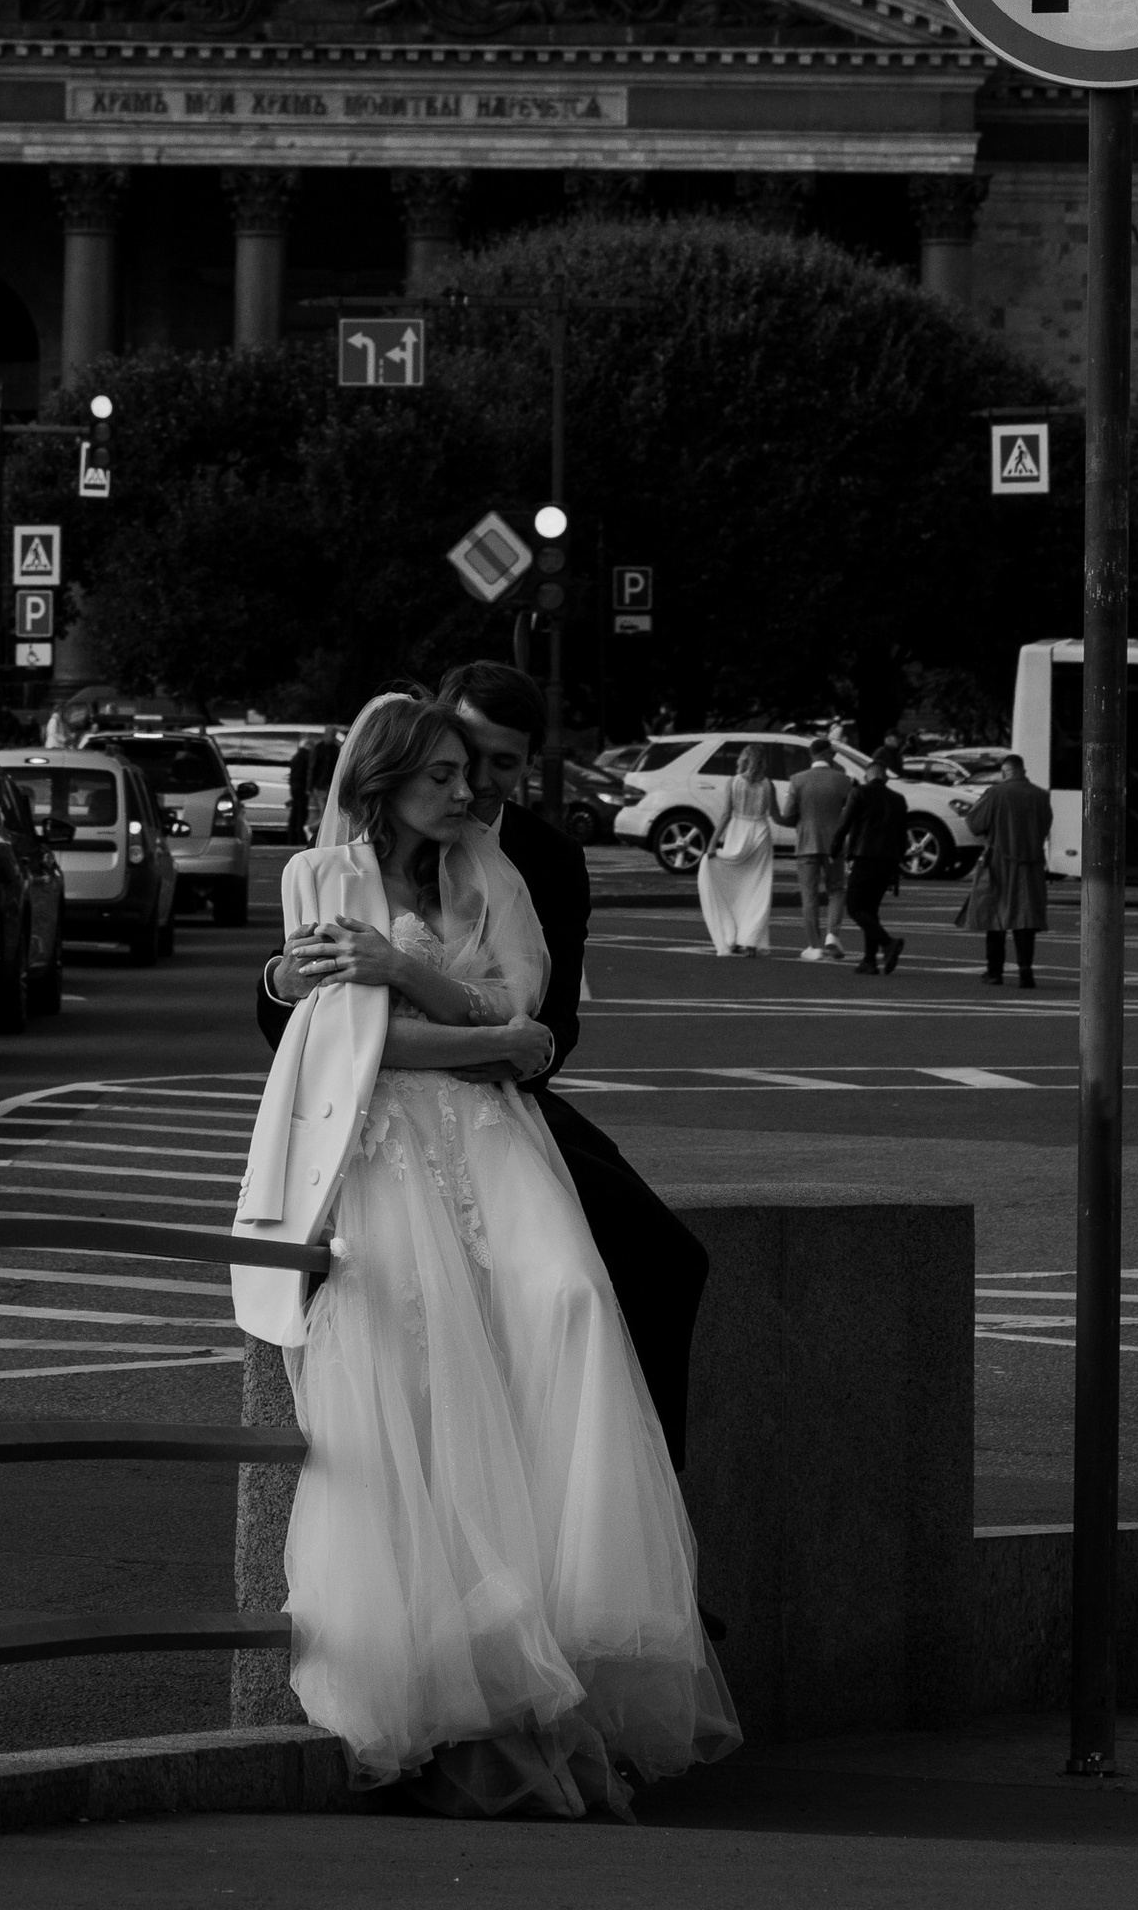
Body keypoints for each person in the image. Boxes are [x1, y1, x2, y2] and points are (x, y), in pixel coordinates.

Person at [234, 693, 736, 1816]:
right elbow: (346, 1035)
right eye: (449, 774)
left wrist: (419, 983)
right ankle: (440, 1671)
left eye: (480, 770)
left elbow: (531, 1013)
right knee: (423, 1381)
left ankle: (592, 1600)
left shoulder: (510, 866)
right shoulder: (323, 874)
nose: (471, 793)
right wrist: (488, 1037)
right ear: (385, 778)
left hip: (498, 1140)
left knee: (571, 1308)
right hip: (383, 1142)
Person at [262, 662, 709, 1469]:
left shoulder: (544, 857)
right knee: (417, 1312)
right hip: (380, 1107)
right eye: (465, 760)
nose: (481, 787)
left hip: (501, 1093)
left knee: (657, 1260)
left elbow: (544, 1030)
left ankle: (624, 1526)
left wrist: (462, 1017)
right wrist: (286, 979)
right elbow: (312, 1020)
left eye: (505, 765)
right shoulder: (340, 866)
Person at [963, 753, 1052, 989]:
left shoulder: (996, 793)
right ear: (1023, 771)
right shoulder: (1041, 796)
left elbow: (974, 823)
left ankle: (995, 972)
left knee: (996, 918)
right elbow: (1045, 827)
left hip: (999, 863)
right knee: (1026, 919)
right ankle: (1026, 971)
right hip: (1031, 865)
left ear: (1005, 772)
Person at [697, 745, 778, 960]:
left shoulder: (733, 783)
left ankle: (730, 935)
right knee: (758, 890)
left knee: (735, 887)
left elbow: (725, 814)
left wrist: (712, 844)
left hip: (738, 832)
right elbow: (777, 815)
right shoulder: (769, 785)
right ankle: (750, 941)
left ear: (744, 760)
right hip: (760, 833)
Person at [779, 737, 852, 961]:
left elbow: (789, 814)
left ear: (812, 754)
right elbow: (850, 813)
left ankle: (813, 945)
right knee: (836, 890)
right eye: (833, 754)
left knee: (809, 895)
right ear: (826, 754)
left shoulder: (798, 780)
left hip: (807, 843)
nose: (834, 757)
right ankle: (832, 935)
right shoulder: (844, 781)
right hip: (834, 845)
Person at [840, 753, 910, 976]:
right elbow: (902, 835)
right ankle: (869, 960)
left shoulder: (859, 793)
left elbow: (845, 825)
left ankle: (888, 943)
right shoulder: (898, 800)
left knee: (854, 907)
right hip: (888, 861)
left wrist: (833, 851)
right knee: (871, 909)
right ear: (886, 777)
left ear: (867, 776)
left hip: (864, 857)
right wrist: (900, 862)